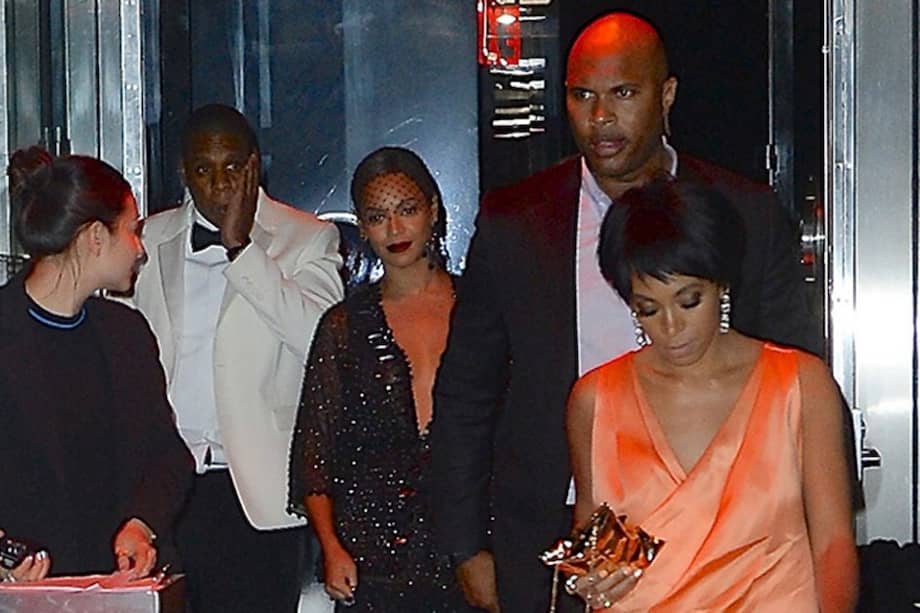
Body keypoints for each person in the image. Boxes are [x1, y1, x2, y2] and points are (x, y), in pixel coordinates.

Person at [431, 11, 828, 612]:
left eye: (622, 93)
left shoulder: (742, 212)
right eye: (581, 95)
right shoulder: (515, 222)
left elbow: (795, 376)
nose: (599, 117)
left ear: (665, 95)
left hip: (725, 536)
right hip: (552, 531)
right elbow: (466, 390)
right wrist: (464, 546)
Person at [564, 178, 857, 611]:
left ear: (721, 284)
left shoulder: (799, 385)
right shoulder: (595, 399)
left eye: (688, 301)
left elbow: (832, 543)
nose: (670, 327)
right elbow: (594, 538)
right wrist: (592, 577)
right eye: (648, 309)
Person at [131, 104, 343, 612]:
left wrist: (242, 250)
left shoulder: (307, 237)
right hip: (163, 487)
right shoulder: (146, 239)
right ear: (184, 173)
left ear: (254, 166)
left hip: (253, 492)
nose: (220, 183)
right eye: (204, 169)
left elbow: (323, 343)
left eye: (232, 167)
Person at [288, 147, 471, 611]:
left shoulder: (480, 309)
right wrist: (331, 548)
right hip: (373, 557)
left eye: (407, 210)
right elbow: (314, 453)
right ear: (363, 228)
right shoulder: (343, 327)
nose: (394, 229)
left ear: (433, 210)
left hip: (471, 547)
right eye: (377, 216)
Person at [0, 147, 193, 580]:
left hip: (117, 588)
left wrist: (143, 524)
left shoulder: (126, 332)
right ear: (94, 237)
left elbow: (169, 456)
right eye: (133, 230)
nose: (140, 249)